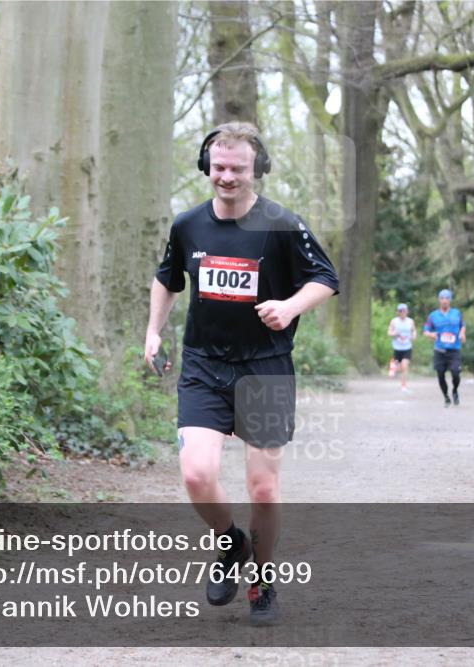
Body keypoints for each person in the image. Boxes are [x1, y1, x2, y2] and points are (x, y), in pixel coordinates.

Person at [144, 122, 338, 626]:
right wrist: (153, 333)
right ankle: (232, 544)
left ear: (257, 170)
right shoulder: (187, 225)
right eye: (218, 166)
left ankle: (263, 578)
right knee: (196, 473)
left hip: (266, 369)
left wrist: (291, 306)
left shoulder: (281, 224)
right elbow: (167, 281)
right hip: (205, 365)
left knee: (264, 489)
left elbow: (326, 278)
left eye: (237, 168)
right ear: (206, 165)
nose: (226, 177)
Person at [423, 289, 465, 407]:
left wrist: (462, 334)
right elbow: (426, 331)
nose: (444, 301)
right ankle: (446, 397)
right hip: (440, 351)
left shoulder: (457, 313)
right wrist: (431, 334)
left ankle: (455, 390)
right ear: (439, 300)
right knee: (440, 374)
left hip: (454, 350)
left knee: (456, 373)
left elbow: (462, 326)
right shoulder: (433, 316)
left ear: (450, 300)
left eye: (447, 298)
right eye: (442, 298)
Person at [387, 303, 415, 393]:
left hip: (407, 347)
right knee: (398, 367)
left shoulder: (410, 321)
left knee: (404, 365)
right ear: (398, 312)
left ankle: (404, 386)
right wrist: (395, 333)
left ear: (407, 311)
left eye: (404, 311)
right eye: (400, 311)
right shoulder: (394, 321)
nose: (402, 312)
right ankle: (393, 365)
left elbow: (414, 331)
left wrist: (413, 336)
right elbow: (389, 332)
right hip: (397, 347)